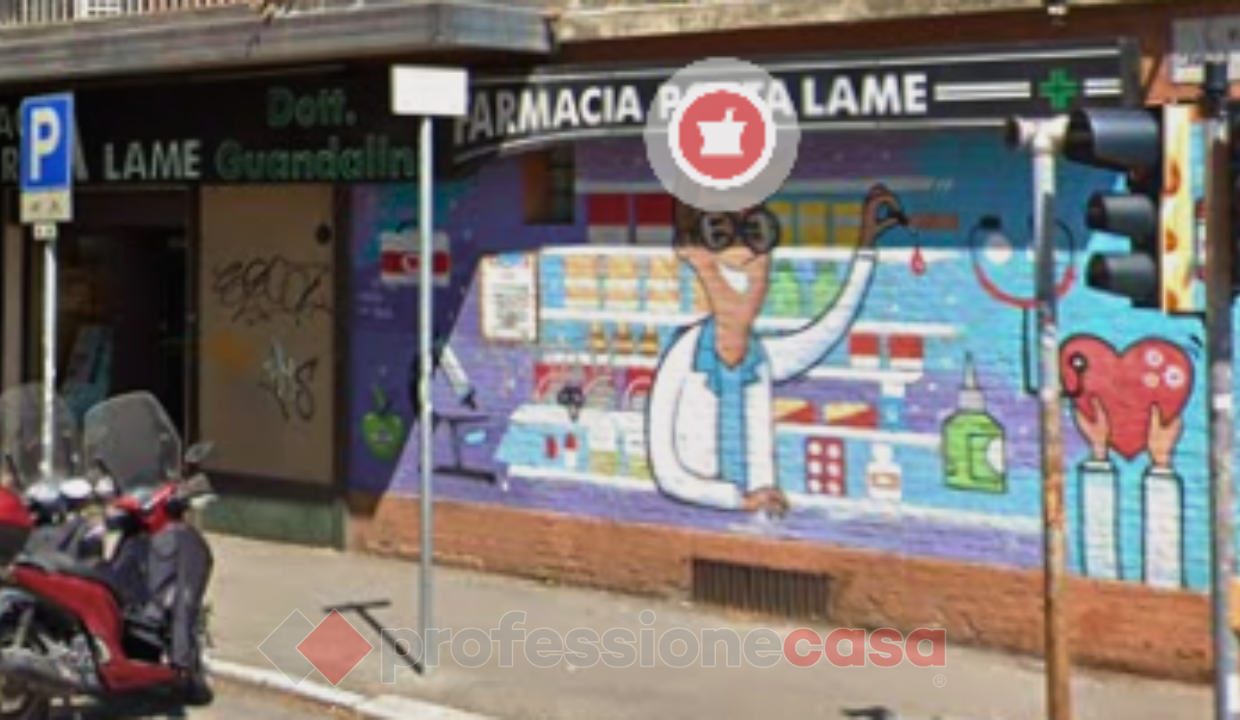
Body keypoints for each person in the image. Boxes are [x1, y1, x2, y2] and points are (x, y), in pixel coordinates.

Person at [647, 184, 907, 514]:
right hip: (697, 522)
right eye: (720, 232)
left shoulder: (759, 360)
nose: (746, 252)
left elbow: (827, 331)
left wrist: (865, 248)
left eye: (757, 231)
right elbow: (668, 473)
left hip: (757, 523)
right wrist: (737, 500)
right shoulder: (682, 360)